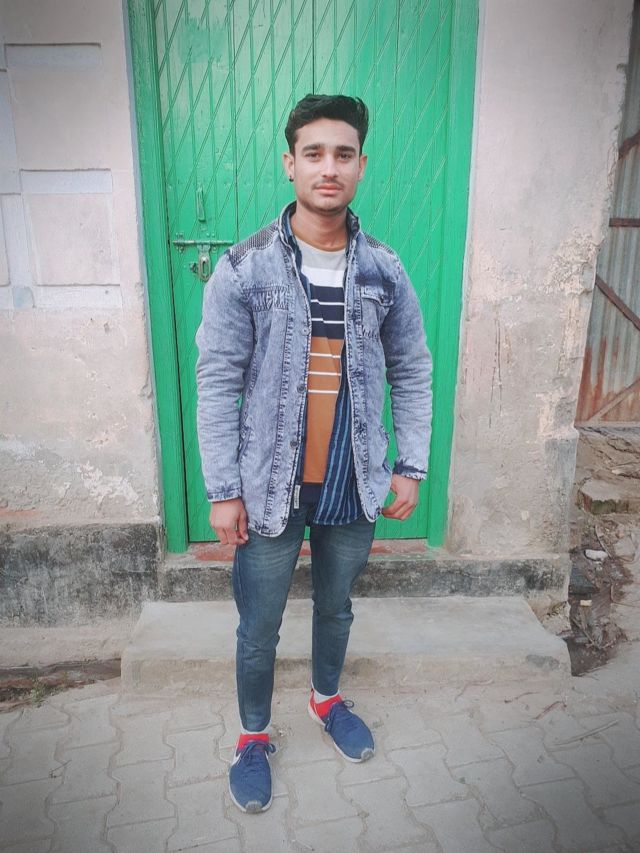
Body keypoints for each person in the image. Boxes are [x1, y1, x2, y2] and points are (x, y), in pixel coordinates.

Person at [195, 94, 432, 813]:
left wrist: (409, 465)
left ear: (361, 165)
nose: (329, 168)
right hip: (269, 483)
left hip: (352, 479)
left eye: (344, 154)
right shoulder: (245, 268)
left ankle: (326, 700)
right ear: (290, 163)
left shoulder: (385, 270)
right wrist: (223, 489)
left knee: (336, 607)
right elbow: (217, 380)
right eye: (315, 153)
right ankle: (252, 737)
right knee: (258, 625)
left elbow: (412, 368)